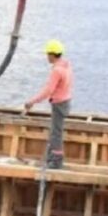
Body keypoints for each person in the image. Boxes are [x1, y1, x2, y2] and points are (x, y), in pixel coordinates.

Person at [24, 39, 74, 169]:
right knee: (56, 131)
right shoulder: (66, 66)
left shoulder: (57, 70)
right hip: (65, 102)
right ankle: (52, 157)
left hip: (59, 104)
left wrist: (32, 101)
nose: (47, 57)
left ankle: (56, 161)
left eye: (47, 54)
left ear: (52, 54)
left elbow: (48, 90)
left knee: (56, 133)